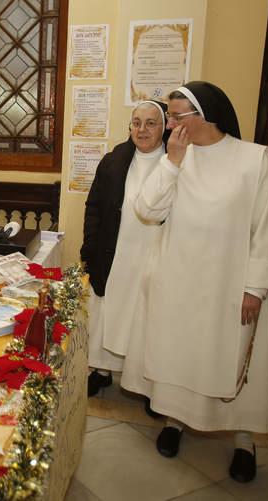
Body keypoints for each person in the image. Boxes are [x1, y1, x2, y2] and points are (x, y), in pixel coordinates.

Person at [123, 81, 268, 483]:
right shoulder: (177, 158)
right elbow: (148, 209)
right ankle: (175, 423)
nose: (172, 126)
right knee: (179, 354)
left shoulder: (254, 161)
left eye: (179, 117)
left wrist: (256, 287)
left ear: (207, 115)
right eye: (172, 117)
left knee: (230, 359)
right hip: (179, 281)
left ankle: (243, 440)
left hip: (229, 285)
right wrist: (173, 162)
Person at [81, 101, 170, 399]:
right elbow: (93, 206)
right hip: (114, 251)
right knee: (107, 313)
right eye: (136, 122)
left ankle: (146, 385)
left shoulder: (176, 161)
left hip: (153, 254)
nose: (141, 130)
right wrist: (89, 247)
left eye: (150, 123)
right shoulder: (114, 160)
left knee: (144, 317)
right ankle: (102, 370)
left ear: (165, 126)